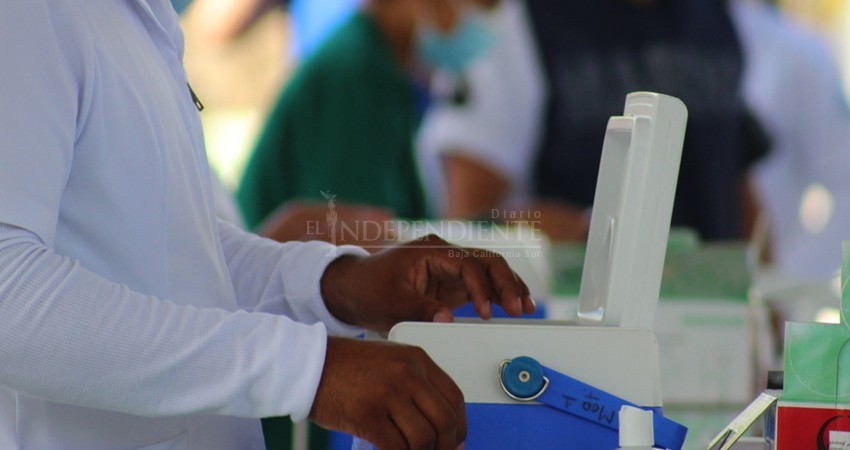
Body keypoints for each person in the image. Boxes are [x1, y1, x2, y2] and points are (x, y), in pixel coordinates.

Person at [0, 2, 535, 449]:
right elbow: (10, 300)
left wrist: (334, 286)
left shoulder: (136, 20)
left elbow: (175, 256)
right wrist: (308, 369)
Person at [418, 0, 850, 278]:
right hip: (579, 346)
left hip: (714, 335)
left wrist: (765, 303)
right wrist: (552, 226)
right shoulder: (519, 28)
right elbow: (467, 221)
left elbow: (735, 182)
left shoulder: (725, 19)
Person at [237, 0, 499, 233]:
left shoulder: (386, 73)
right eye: (478, 4)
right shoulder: (354, 76)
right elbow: (357, 239)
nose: (483, 19)